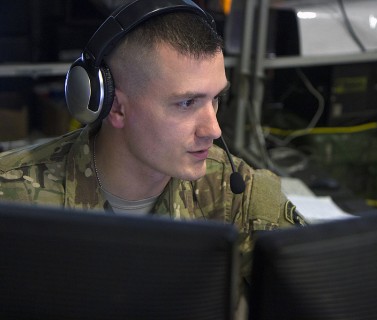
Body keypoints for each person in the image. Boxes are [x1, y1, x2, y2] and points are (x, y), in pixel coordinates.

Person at [0, 0, 305, 314]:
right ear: (115, 107)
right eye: (186, 103)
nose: (213, 129)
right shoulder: (11, 197)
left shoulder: (235, 191)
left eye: (215, 99)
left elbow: (320, 293)